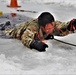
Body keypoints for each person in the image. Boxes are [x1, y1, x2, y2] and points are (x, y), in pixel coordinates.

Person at [3, 12, 76, 52]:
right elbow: (25, 38)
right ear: (41, 26)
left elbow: (62, 26)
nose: (50, 30)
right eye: (47, 29)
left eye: (51, 28)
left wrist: (71, 24)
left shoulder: (53, 23)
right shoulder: (33, 26)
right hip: (9, 32)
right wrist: (35, 44)